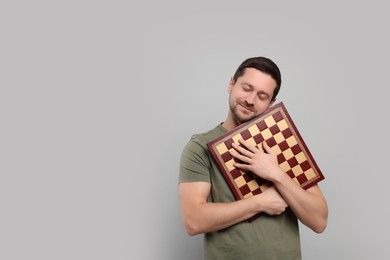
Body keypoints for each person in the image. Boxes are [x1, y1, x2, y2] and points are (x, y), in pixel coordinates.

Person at [178, 56, 328, 260]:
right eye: (246, 88)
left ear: (271, 103)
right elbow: (194, 221)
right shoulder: (200, 147)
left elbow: (319, 221)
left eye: (262, 95)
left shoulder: (282, 140)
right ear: (232, 83)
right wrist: (260, 203)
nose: (250, 100)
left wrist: (276, 174)